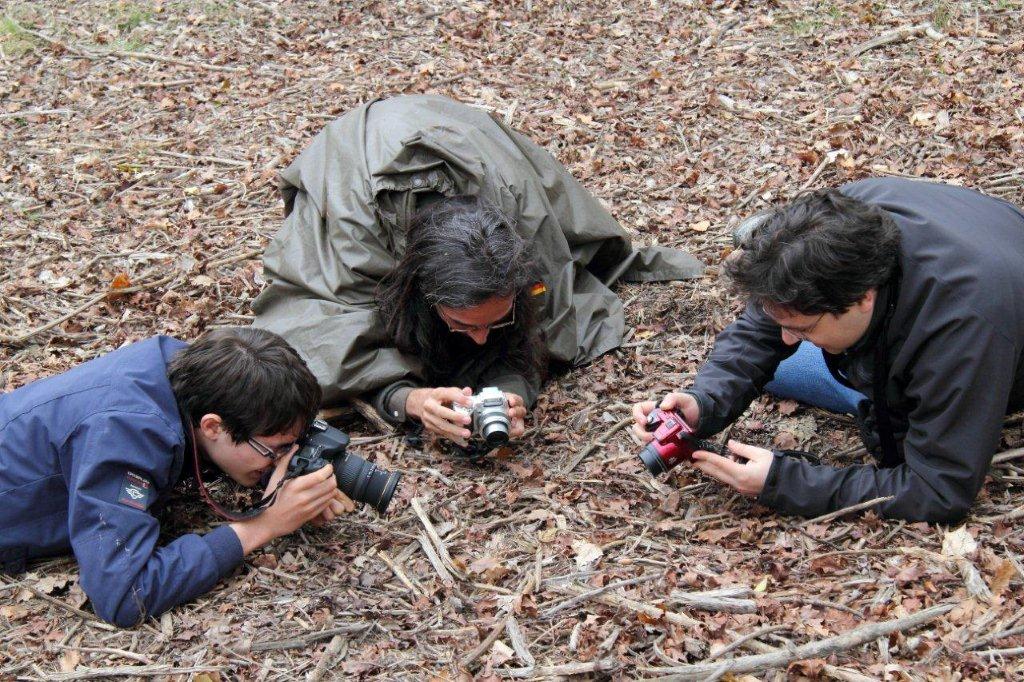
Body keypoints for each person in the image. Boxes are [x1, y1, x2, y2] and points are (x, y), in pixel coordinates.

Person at [253, 94, 703, 447]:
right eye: (463, 323)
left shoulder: (518, 222)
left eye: (498, 319)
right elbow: (314, 333)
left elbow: (547, 316)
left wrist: (511, 393)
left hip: (468, 138)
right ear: (422, 294)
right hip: (354, 162)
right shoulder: (355, 242)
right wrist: (406, 400)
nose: (484, 338)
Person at [633, 178, 1024, 522]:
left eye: (802, 327)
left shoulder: (962, 330)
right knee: (780, 366)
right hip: (976, 256)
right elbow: (762, 330)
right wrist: (705, 401)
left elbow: (938, 489)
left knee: (801, 369)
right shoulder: (833, 227)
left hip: (994, 341)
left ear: (863, 298)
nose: (786, 338)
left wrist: (785, 483)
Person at [0, 328, 349, 627]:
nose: (279, 458)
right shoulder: (126, 435)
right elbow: (124, 595)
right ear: (213, 426)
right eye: (274, 449)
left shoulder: (189, 372)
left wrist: (289, 479)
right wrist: (263, 525)